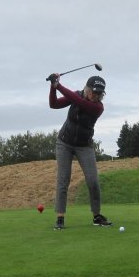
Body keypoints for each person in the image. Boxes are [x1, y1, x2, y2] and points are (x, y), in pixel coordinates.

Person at [48, 73, 112, 230]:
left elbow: (80, 103)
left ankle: (97, 216)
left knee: (93, 181)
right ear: (87, 89)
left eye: (100, 94)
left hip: (85, 146)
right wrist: (53, 87)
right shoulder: (76, 95)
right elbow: (53, 104)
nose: (97, 96)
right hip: (64, 143)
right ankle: (60, 218)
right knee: (63, 179)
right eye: (94, 93)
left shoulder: (98, 107)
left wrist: (58, 85)